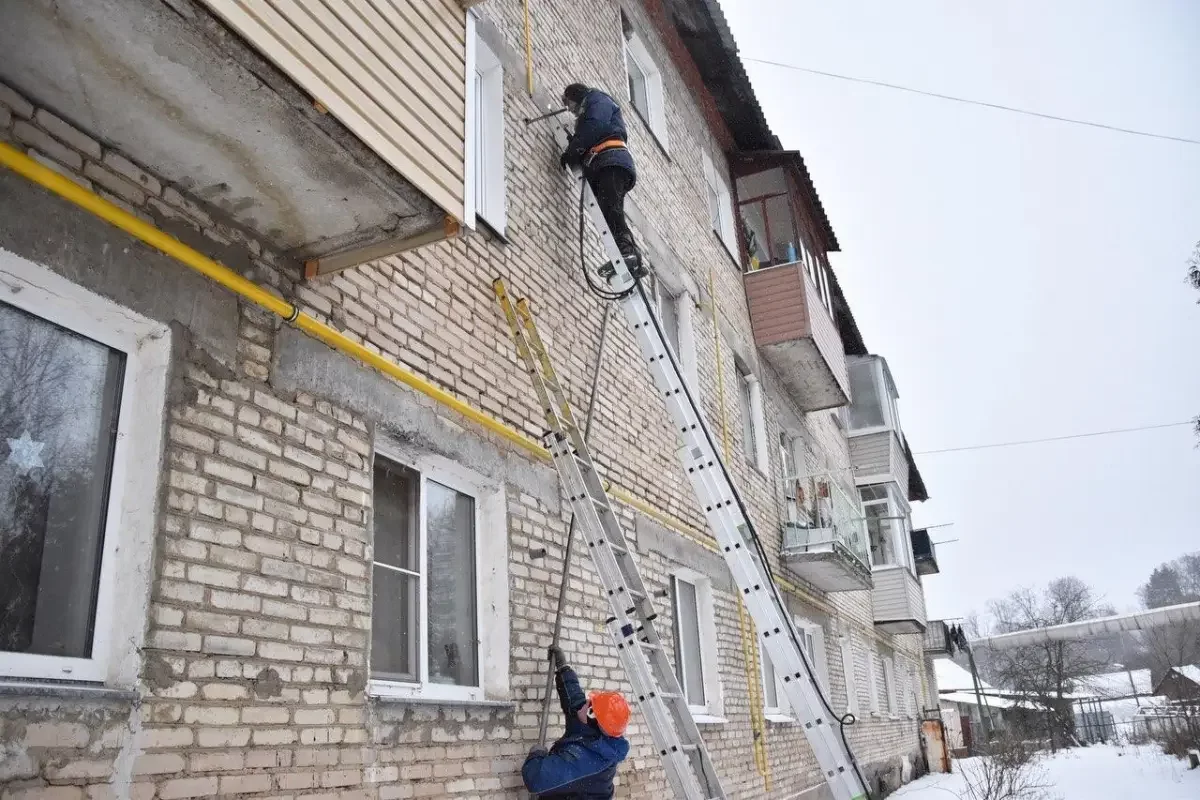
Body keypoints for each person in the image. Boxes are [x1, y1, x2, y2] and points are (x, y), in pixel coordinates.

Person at [559, 83, 646, 279]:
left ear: (575, 95)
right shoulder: (593, 106)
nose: (571, 111)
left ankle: (628, 253)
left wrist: (574, 148)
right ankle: (631, 257)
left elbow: (594, 126)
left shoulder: (597, 100)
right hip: (605, 163)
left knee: (611, 209)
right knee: (610, 211)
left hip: (611, 160)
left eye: (569, 104)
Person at [522, 645, 631, 798]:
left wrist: (536, 755)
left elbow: (536, 779)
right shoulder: (596, 732)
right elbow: (575, 699)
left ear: (592, 717)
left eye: (590, 705)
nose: (585, 702)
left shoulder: (585, 760)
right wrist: (563, 667)